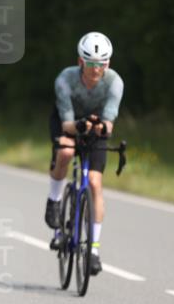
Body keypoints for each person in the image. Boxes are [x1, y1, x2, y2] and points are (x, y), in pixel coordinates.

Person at [44, 32, 124, 274]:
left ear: (107, 64)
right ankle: (54, 201)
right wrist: (79, 126)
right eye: (91, 64)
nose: (96, 69)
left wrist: (101, 126)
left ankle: (94, 250)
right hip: (67, 122)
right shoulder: (65, 80)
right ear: (81, 62)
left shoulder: (115, 82)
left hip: (96, 129)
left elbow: (109, 122)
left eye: (101, 64)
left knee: (94, 182)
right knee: (66, 153)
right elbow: (67, 122)